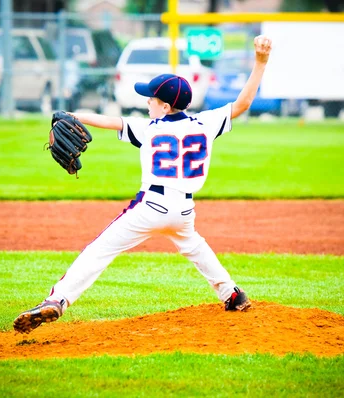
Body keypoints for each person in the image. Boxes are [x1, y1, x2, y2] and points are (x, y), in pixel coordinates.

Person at [14, 35, 273, 334]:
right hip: (185, 210)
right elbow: (243, 103)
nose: (147, 101)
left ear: (164, 107)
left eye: (151, 99)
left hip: (151, 205)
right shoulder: (206, 123)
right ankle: (232, 293)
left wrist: (73, 115)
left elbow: (108, 120)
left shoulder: (148, 128)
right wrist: (260, 62)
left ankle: (57, 300)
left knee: (99, 250)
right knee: (194, 246)